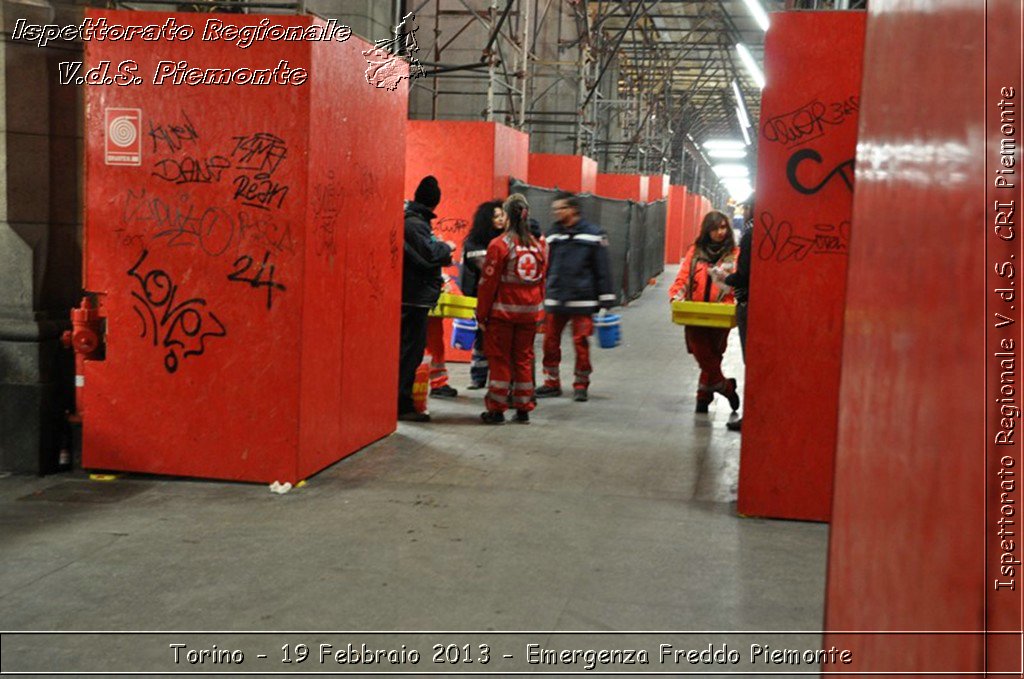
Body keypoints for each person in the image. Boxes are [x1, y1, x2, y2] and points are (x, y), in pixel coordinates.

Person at [536, 191, 615, 402]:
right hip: (556, 298)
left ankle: (581, 384)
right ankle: (551, 383)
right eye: (555, 209)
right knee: (549, 343)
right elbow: (545, 265)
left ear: (573, 209)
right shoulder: (552, 235)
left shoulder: (594, 234)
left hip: (583, 299)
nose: (557, 213)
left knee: (580, 342)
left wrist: (606, 298)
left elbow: (603, 268)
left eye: (561, 208)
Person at [475, 194, 547, 424]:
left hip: (502, 314)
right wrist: (540, 314)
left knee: (500, 359)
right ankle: (523, 407)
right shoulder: (538, 246)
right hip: (529, 314)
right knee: (523, 359)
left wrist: (482, 314)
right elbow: (542, 282)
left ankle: (497, 409)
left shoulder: (499, 245)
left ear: (506, 215)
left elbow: (488, 283)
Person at [669, 210, 741, 414]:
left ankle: (704, 396)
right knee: (700, 349)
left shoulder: (735, 254)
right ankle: (724, 386)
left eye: (723, 227)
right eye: (715, 228)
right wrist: (676, 295)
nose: (720, 232)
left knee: (714, 353)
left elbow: (740, 281)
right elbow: (684, 277)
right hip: (694, 311)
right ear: (706, 231)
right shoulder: (695, 251)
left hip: (722, 313)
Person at [397, 176, 454, 422]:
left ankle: (402, 401)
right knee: (410, 351)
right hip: (414, 297)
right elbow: (429, 255)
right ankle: (402, 404)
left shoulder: (414, 222)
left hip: (412, 296)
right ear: (435, 202)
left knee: (410, 349)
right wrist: (447, 247)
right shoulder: (416, 225)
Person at [459, 200, 506, 390]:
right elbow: (488, 269)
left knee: (498, 339)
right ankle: (478, 377)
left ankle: (497, 377)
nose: (501, 219)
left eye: (503, 215)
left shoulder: (507, 239)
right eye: (496, 216)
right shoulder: (474, 244)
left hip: (503, 298)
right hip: (482, 297)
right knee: (481, 337)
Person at [723, 197, 754, 431]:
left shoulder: (751, 234)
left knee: (751, 361)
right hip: (762, 303)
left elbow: (743, 274)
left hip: (748, 304)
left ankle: (752, 415)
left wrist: (725, 279)